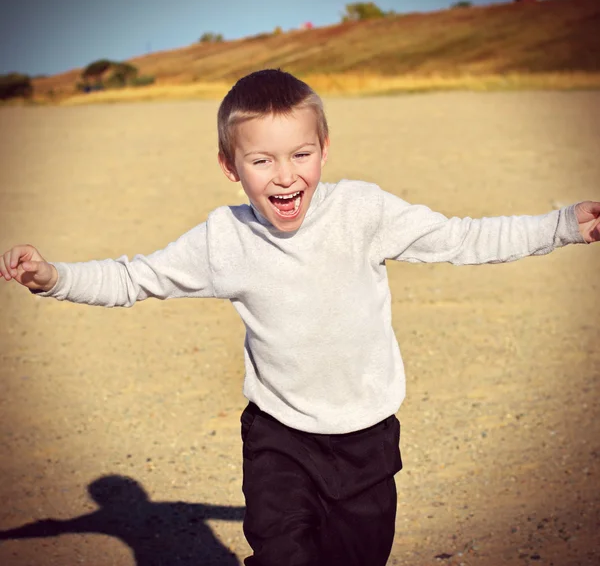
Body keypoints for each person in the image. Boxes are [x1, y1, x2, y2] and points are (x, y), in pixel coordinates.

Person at [1, 69, 599, 566]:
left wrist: (562, 225)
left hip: (366, 436)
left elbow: (464, 238)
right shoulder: (223, 239)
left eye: (301, 155)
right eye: (262, 161)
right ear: (231, 166)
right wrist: (53, 278)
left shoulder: (362, 211)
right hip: (279, 437)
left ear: (324, 149)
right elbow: (135, 277)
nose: (285, 175)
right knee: (283, 552)